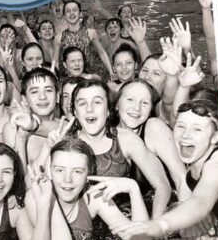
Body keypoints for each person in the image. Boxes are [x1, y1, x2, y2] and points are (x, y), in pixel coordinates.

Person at [112, 100, 218, 239]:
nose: (185, 135)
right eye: (180, 126)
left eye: (197, 129)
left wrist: (160, 225)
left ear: (216, 137)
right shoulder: (197, 155)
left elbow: (201, 201)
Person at [69, 79, 171, 218]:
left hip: (126, 223)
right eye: (82, 103)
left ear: (108, 110)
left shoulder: (126, 139)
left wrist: (155, 226)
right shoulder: (65, 144)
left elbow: (162, 186)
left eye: (97, 102)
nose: (89, 109)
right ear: (75, 111)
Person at [25, 136, 146, 239]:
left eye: (77, 171)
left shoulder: (93, 195)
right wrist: (48, 201)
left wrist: (133, 188)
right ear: (49, 171)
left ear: (88, 174)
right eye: (59, 170)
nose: (67, 180)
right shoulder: (36, 196)